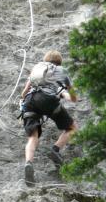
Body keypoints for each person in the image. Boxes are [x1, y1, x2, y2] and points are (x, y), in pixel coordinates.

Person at [20, 50, 78, 186]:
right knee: (72, 127)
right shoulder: (62, 71)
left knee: (33, 136)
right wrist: (71, 97)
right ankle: (55, 150)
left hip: (30, 100)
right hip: (48, 100)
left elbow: (24, 92)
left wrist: (24, 102)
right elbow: (73, 96)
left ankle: (29, 163)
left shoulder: (37, 68)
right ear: (59, 62)